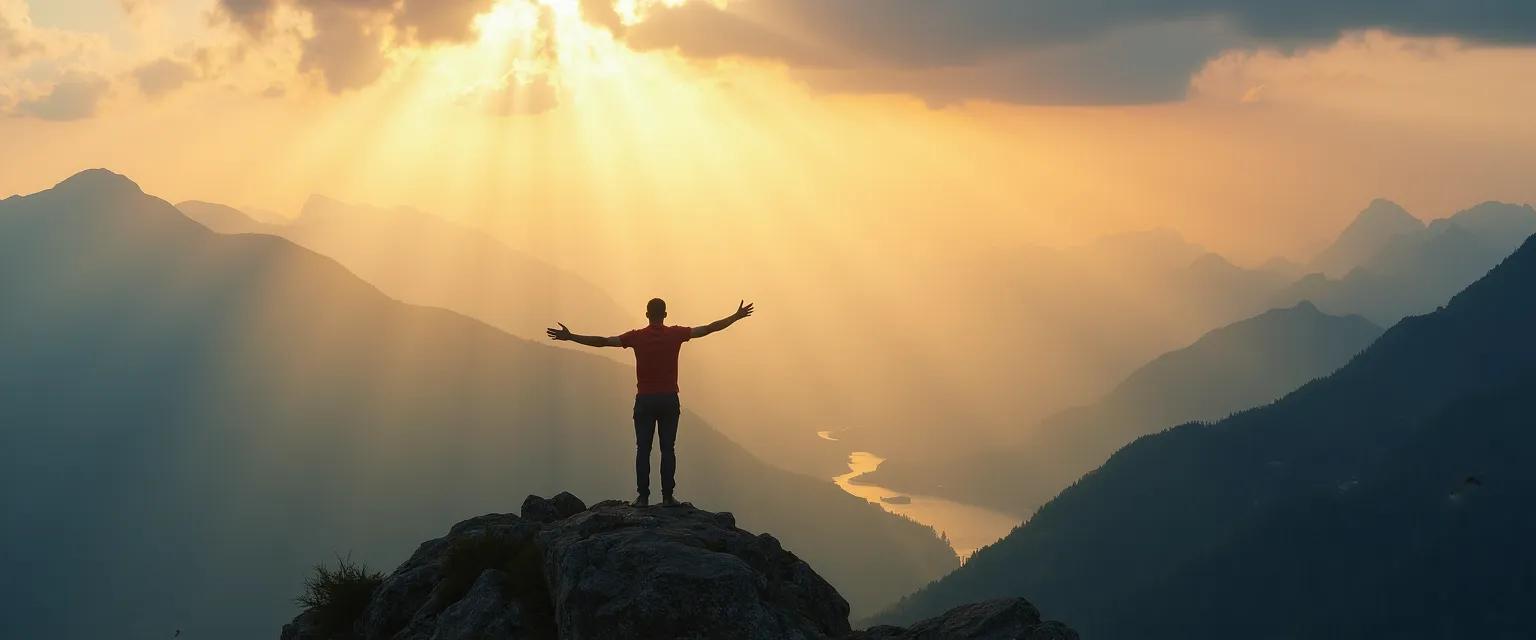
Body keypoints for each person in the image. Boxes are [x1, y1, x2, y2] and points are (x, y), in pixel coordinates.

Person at [547, 298, 754, 507]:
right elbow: (709, 328)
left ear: (647, 314)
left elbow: (603, 341)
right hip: (669, 399)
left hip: (645, 399)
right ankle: (667, 497)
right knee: (668, 449)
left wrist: (571, 337)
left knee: (643, 449)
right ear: (665, 314)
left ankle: (643, 497)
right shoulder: (676, 334)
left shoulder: (636, 337)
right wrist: (735, 317)